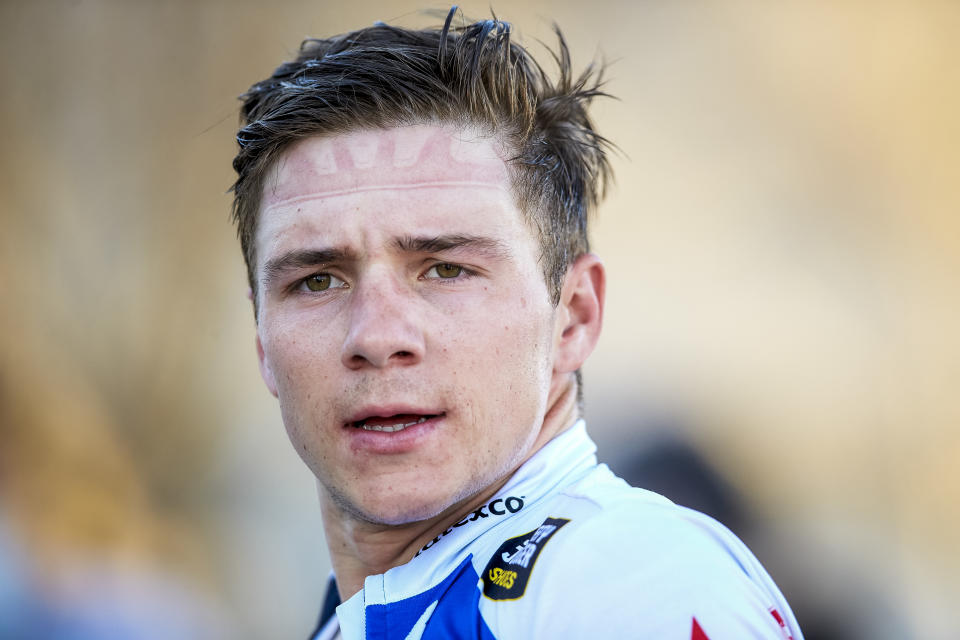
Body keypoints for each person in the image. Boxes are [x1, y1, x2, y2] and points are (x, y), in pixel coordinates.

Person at [230, 8, 804, 640]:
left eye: (445, 269)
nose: (376, 336)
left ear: (575, 316)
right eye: (317, 281)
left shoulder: (628, 582)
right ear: (263, 345)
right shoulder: (364, 616)